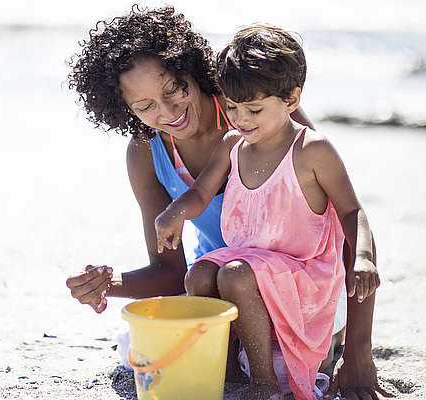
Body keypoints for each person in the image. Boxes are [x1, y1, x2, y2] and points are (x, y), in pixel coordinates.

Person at [66, 6, 388, 400]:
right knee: (149, 349)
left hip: (300, 282)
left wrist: (358, 353)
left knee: (276, 355)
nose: (168, 113)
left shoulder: (251, 104)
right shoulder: (146, 153)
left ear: (191, 69)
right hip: (223, 282)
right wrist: (109, 284)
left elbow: (342, 224)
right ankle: (239, 359)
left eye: (173, 89)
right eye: (145, 106)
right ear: (125, 111)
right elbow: (172, 270)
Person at [153, 24, 387, 400]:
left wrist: (361, 256)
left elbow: (351, 210)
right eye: (231, 107)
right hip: (250, 262)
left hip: (303, 275)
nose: (241, 119)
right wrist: (174, 212)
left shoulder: (312, 150)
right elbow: (200, 192)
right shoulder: (233, 143)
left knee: (234, 276)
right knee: (198, 274)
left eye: (254, 109)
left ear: (292, 99)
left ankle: (266, 382)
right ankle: (226, 367)